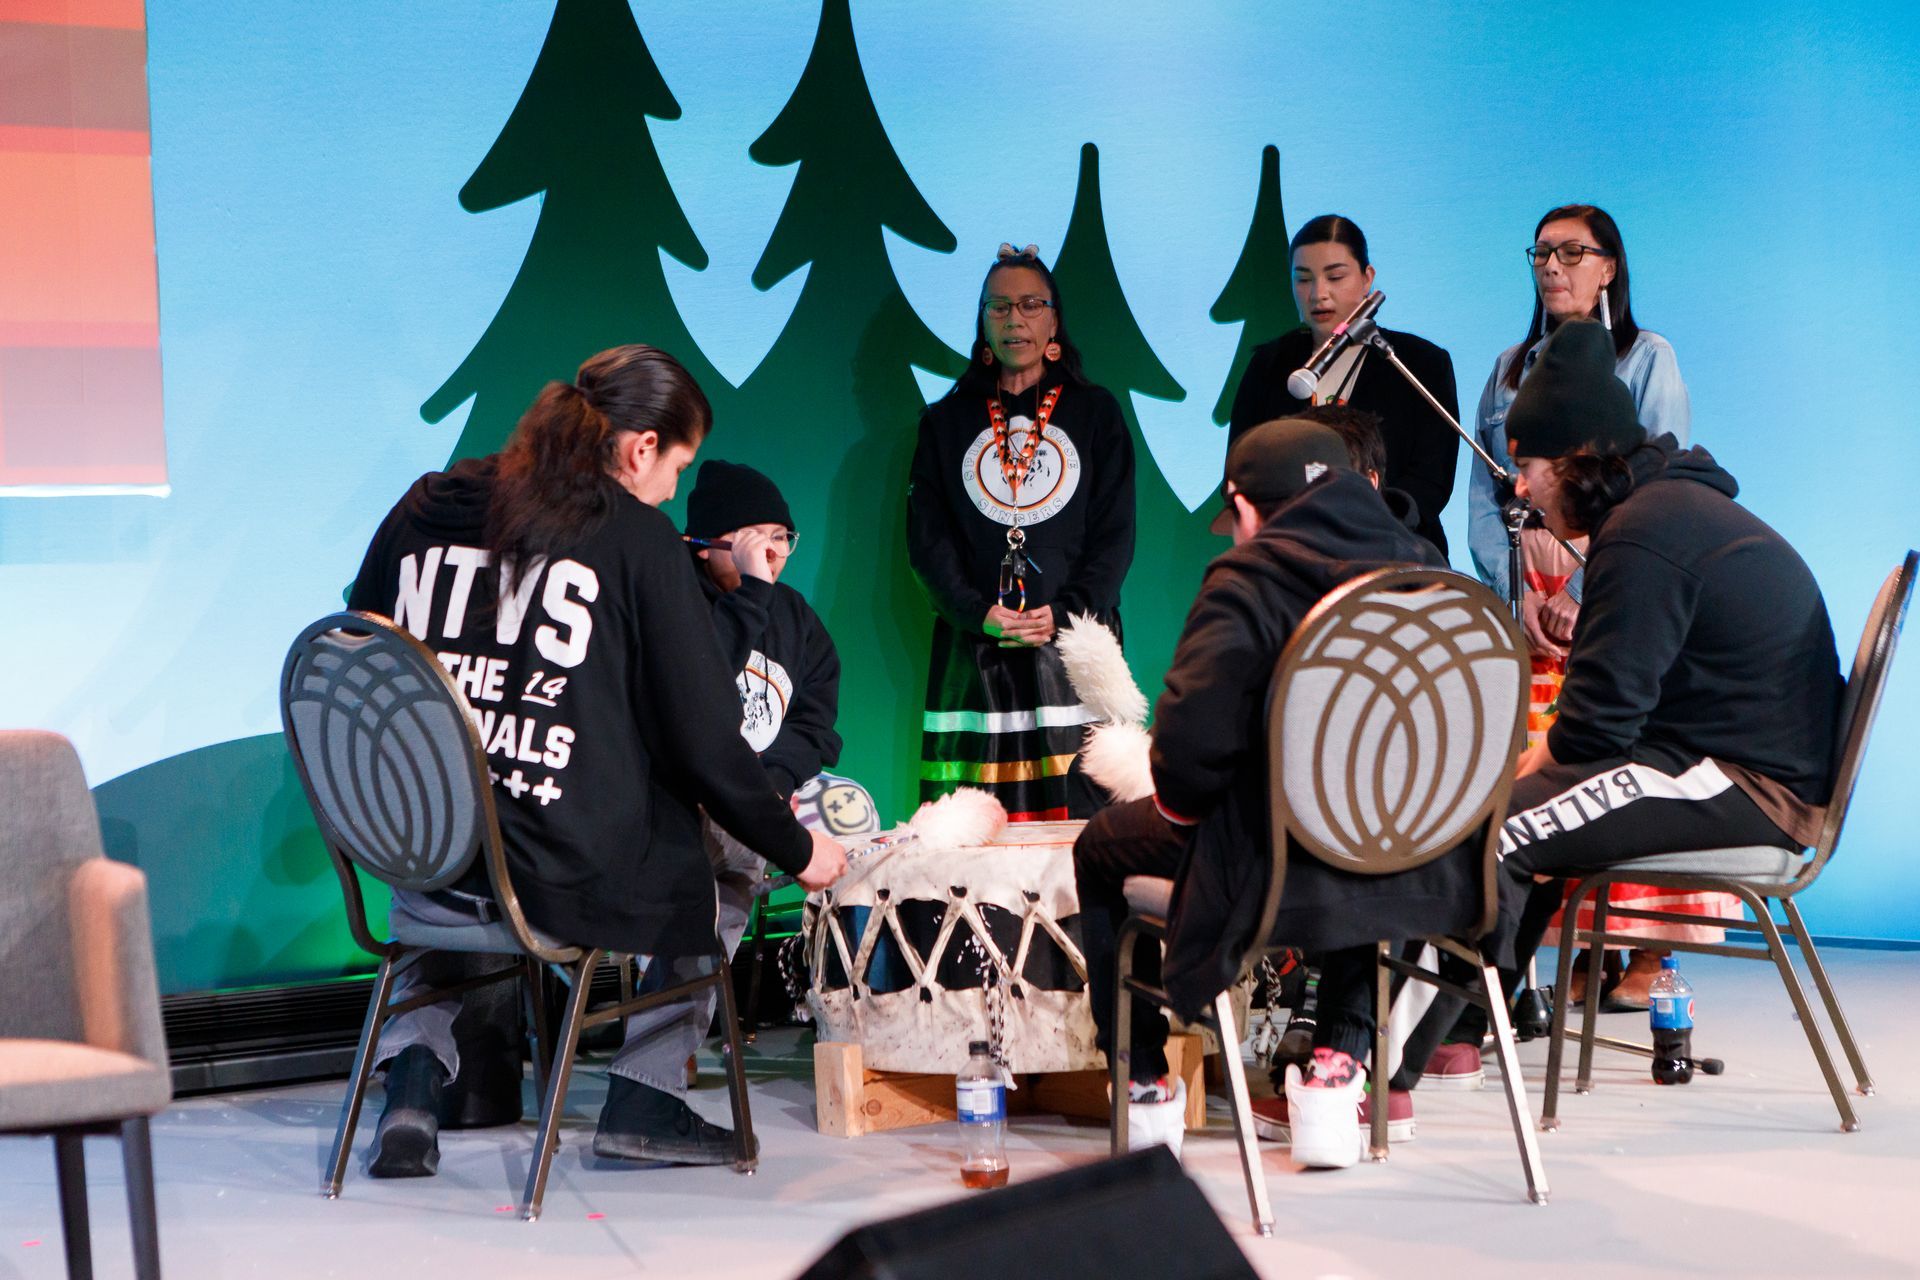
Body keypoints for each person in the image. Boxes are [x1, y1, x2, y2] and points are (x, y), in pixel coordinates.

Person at [345, 344, 847, 1176]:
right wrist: (800, 849)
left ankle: (413, 1080)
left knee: (454, 857)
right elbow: (706, 743)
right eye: (676, 468)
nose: (672, 493)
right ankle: (644, 1093)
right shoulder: (636, 539)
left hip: (419, 847)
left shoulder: (428, 504)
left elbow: (362, 648)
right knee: (726, 857)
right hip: (561, 868)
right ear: (641, 448)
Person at [1394, 320, 1842, 1087]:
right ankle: (1458, 1028)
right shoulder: (1660, 509)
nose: (1521, 487)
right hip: (1720, 760)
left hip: (1751, 785)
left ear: (1574, 458)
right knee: (1508, 815)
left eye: (1529, 465)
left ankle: (1381, 1071)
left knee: (1496, 832)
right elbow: (1608, 722)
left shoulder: (1644, 534)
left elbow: (1597, 726)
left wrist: (1526, 770)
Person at [1071, 419, 1461, 1170]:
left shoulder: (1250, 580)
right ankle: (1338, 1069)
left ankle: (1146, 1082)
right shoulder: (1428, 572)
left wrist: (1191, 814)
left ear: (1246, 508)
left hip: (1273, 863)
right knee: (1359, 836)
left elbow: (1185, 760)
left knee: (1099, 847)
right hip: (1418, 857)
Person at [1460, 203, 1704, 1031]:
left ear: (1610, 267)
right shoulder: (1505, 367)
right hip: (1529, 592)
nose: (1554, 266)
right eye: (1542, 253)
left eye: (1573, 252)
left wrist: (1581, 587)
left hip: (1616, 576)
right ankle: (1572, 953)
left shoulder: (1647, 357)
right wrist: (1519, 593)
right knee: (1548, 763)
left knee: (1617, 745)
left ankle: (1645, 952)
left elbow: (1655, 480)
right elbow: (1486, 501)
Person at [908, 245, 1136, 821]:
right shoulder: (946, 420)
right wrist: (973, 610)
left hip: (1074, 645)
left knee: (1084, 820)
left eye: (1031, 305)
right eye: (1000, 306)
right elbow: (927, 543)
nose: (1016, 320)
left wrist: (1065, 611)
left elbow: (1115, 536)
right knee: (970, 831)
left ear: (1054, 320)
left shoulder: (1096, 413)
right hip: (976, 654)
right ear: (982, 321)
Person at [1228, 215, 1460, 555]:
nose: (1318, 293)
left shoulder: (1418, 362)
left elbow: (1430, 483)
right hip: (1289, 557)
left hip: (1395, 554)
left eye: (1335, 276)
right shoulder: (1269, 364)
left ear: (1367, 279)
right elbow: (1239, 466)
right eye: (1303, 279)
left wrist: (1361, 528)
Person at [683, 459, 843, 800]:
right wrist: (752, 591)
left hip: (770, 783)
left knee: (847, 805)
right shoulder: (675, 598)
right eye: (750, 540)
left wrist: (776, 783)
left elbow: (814, 726)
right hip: (690, 783)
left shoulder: (797, 617)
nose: (769, 553)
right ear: (704, 546)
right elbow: (692, 688)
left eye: (780, 537)